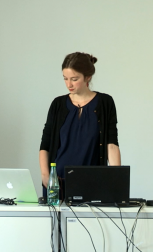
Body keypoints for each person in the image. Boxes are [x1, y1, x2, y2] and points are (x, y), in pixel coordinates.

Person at [39, 52, 121, 200]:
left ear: (88, 77)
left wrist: (116, 181)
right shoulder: (58, 104)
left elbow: (112, 144)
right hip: (58, 183)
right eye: (65, 79)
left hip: (93, 182)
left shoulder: (105, 102)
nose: (68, 84)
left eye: (74, 79)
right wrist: (46, 176)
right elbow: (45, 143)